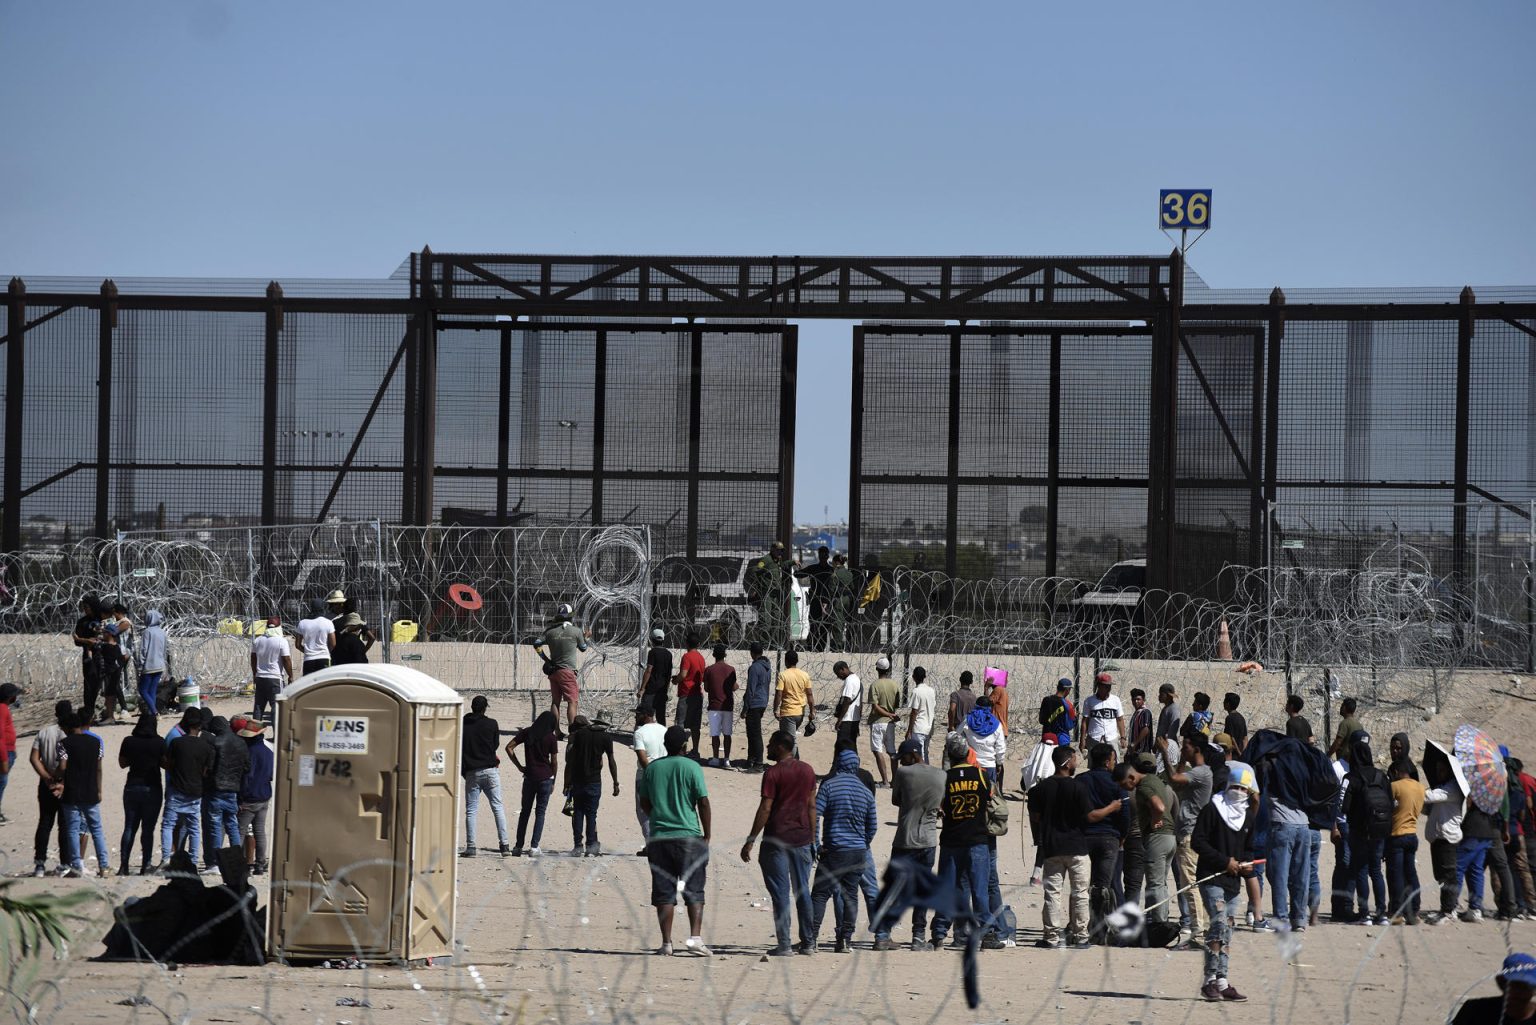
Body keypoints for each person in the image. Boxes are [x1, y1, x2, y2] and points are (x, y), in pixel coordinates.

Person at [1030, 746, 1120, 949]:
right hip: (1077, 847)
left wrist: (1041, 835)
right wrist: (1111, 808)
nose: (1077, 762)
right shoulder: (1078, 788)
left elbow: (1035, 817)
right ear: (1068, 762)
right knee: (1080, 892)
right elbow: (1090, 816)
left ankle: (1051, 937)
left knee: (1052, 893)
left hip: (1053, 847)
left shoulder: (1041, 789)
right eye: (1075, 759)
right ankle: (1081, 936)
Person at [740, 730, 817, 955]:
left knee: (781, 894)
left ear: (781, 746)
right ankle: (809, 942)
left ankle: (784, 944)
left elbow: (766, 808)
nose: (767, 748)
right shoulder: (807, 770)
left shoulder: (773, 773)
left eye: (771, 744)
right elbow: (812, 806)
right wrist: (812, 836)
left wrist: (751, 839)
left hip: (776, 841)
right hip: (802, 839)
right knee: (802, 891)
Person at [639, 725, 712, 956]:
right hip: (689, 835)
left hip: (660, 836)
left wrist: (660, 817)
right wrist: (707, 834)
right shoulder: (692, 767)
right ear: (684, 745)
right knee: (694, 890)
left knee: (664, 892)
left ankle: (667, 943)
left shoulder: (652, 769)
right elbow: (703, 802)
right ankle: (695, 939)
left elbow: (645, 802)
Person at [1191, 760, 1259, 1003]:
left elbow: (1248, 849)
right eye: (1235, 787)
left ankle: (1223, 980)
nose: (1238, 792)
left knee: (1227, 931)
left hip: (1233, 882)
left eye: (1244, 789)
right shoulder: (1213, 809)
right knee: (1218, 924)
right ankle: (1209, 980)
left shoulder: (1248, 817)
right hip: (1212, 877)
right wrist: (1224, 861)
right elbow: (1197, 842)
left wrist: (1246, 864)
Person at [810, 748, 878, 953]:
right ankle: (844, 940)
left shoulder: (829, 786)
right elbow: (873, 825)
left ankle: (811, 938)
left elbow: (816, 814)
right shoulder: (865, 792)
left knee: (820, 895)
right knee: (851, 895)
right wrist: (863, 843)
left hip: (833, 850)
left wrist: (816, 844)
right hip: (857, 852)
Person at [931, 734, 992, 949]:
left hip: (951, 839)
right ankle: (984, 934)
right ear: (968, 752)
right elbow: (990, 800)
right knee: (979, 891)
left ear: (949, 754)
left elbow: (938, 807)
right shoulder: (982, 775)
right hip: (977, 839)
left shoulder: (943, 778)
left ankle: (940, 933)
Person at [889, 736, 945, 949]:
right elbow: (941, 804)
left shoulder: (903, 773)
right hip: (928, 840)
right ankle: (918, 936)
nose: (901, 762)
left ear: (913, 754)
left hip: (905, 839)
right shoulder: (941, 775)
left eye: (903, 757)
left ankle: (883, 933)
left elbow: (896, 800)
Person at [1080, 743, 1129, 939]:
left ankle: (1083, 925)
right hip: (1109, 838)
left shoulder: (1081, 780)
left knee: (1084, 885)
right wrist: (1121, 837)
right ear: (1108, 761)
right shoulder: (1117, 783)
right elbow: (1125, 814)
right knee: (1103, 886)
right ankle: (1100, 930)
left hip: (1085, 837)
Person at [1342, 730, 1391, 925]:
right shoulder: (1381, 776)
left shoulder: (1352, 777)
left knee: (1361, 870)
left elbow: (1344, 807)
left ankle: (1365, 914)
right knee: (1376, 871)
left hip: (1359, 831)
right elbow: (1390, 801)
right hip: (1380, 830)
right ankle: (1382, 914)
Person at [1169, 735, 1214, 946]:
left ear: (1196, 749)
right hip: (1190, 832)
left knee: (1191, 885)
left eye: (1185, 746)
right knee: (1195, 883)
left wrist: (1163, 752)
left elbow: (1174, 779)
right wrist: (1180, 761)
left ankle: (1198, 934)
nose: (1182, 749)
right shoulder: (1195, 772)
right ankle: (1203, 930)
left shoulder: (1201, 772)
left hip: (1190, 834)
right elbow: (1176, 780)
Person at [1126, 752, 1177, 933]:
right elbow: (1174, 809)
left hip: (1154, 837)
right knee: (1161, 882)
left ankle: (1159, 922)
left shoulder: (1142, 787)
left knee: (1153, 883)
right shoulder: (1164, 786)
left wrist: (1154, 820)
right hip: (1170, 836)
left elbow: (1159, 807)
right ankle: (1160, 918)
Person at [58, 709, 109, 877]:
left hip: (72, 792)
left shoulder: (64, 743)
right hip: (91, 791)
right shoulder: (95, 742)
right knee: (97, 830)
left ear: (68, 727)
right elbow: (100, 769)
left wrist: (54, 776)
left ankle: (76, 867)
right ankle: (104, 866)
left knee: (72, 830)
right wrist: (99, 789)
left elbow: (63, 767)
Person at [1422, 740, 1468, 925]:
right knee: (1441, 875)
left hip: (1447, 838)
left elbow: (1431, 796)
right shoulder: (1444, 787)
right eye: (1437, 770)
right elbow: (1430, 806)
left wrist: (1412, 790)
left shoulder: (1454, 788)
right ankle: (1446, 908)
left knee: (1448, 874)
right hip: (1438, 837)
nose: (1439, 773)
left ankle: (1449, 911)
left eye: (1442, 770)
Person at [461, 695, 511, 857]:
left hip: (472, 771)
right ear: (484, 708)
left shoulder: (464, 725)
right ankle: (504, 845)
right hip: (490, 770)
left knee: (471, 810)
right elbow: (495, 744)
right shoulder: (492, 723)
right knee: (497, 807)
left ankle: (471, 847)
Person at [563, 715, 619, 857]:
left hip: (577, 780)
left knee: (578, 813)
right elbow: (611, 761)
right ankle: (591, 847)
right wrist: (615, 782)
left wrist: (567, 782)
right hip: (594, 781)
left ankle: (577, 846)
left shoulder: (579, 735)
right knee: (591, 814)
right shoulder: (606, 738)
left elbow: (570, 761)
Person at [507, 711, 560, 857]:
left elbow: (509, 747)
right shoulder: (551, 737)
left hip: (529, 777)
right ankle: (534, 846)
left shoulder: (527, 733)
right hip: (545, 777)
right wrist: (554, 779)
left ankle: (518, 846)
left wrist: (519, 766)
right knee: (540, 812)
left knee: (525, 812)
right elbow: (554, 761)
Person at [30, 700, 73, 877]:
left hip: (46, 783)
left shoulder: (44, 732)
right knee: (64, 825)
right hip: (64, 782)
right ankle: (64, 863)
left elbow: (34, 758)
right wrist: (59, 781)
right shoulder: (69, 734)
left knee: (45, 823)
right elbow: (66, 763)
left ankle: (39, 864)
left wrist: (47, 778)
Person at [117, 711, 163, 876]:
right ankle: (146, 865)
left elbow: (122, 763)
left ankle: (124, 866)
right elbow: (165, 763)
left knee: (129, 827)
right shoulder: (159, 742)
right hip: (152, 788)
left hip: (132, 786)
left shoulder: (129, 741)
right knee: (148, 829)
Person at [203, 716, 248, 871]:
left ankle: (215, 862)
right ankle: (237, 859)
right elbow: (247, 767)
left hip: (216, 791)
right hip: (233, 791)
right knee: (232, 826)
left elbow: (208, 767)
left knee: (215, 826)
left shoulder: (215, 743)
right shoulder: (241, 742)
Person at [536, 602, 589, 729]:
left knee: (555, 702)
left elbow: (536, 643)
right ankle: (573, 731)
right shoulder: (576, 631)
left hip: (553, 671)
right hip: (567, 672)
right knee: (572, 701)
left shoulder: (550, 631)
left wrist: (546, 660)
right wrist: (586, 637)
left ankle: (557, 731)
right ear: (571, 617)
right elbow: (583, 648)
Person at [1387, 757, 1426, 923]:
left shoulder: (1394, 786)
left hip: (1396, 835)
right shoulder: (1420, 787)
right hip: (1412, 834)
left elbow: (1388, 807)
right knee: (1411, 874)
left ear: (1396, 772)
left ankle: (1397, 912)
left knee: (1396, 875)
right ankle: (1414, 911)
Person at [234, 716, 273, 874]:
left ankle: (238, 864)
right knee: (260, 831)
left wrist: (240, 798)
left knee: (240, 831)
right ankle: (260, 863)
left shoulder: (250, 752)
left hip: (250, 798)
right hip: (264, 796)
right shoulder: (268, 751)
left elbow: (246, 778)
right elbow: (270, 775)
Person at [1450, 952, 1536, 1025]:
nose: (1519, 994)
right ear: (1501, 983)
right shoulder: (1475, 1010)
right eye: (1515, 986)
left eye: (1526, 987)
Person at [631, 705, 667, 855]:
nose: (635, 717)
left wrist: (651, 775)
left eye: (638, 714)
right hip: (665, 773)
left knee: (643, 810)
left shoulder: (639, 733)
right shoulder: (664, 730)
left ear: (646, 715)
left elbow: (642, 757)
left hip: (646, 775)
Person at [249, 616, 292, 722]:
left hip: (260, 677)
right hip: (275, 678)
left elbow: (253, 658)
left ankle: (255, 735)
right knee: (276, 706)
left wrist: (255, 673)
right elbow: (286, 659)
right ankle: (276, 734)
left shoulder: (258, 640)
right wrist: (290, 675)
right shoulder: (282, 641)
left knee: (259, 706)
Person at [867, 656, 901, 787]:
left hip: (877, 721)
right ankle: (895, 781)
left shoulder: (875, 685)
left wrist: (887, 714)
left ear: (877, 669)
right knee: (892, 751)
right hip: (890, 723)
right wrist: (891, 714)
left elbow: (875, 706)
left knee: (877, 750)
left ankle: (885, 781)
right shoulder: (894, 684)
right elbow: (896, 704)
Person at [72, 596, 107, 724]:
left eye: (87, 607)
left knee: (101, 684)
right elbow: (76, 640)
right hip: (89, 657)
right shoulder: (82, 622)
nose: (85, 610)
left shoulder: (103, 619)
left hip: (103, 655)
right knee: (89, 686)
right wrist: (86, 641)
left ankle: (106, 711)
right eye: (84, 607)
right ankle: (89, 712)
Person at [702, 645, 737, 768]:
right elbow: (733, 686)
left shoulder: (709, 670)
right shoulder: (731, 669)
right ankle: (727, 759)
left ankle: (716, 758)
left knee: (715, 734)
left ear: (714, 655)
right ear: (725, 655)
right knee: (727, 734)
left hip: (714, 705)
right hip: (727, 705)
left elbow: (706, 688)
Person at [98, 603, 132, 725]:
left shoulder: (125, 622)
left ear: (117, 612)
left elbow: (114, 632)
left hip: (119, 656)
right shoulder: (116, 623)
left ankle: (122, 709)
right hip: (118, 654)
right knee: (113, 685)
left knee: (113, 684)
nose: (112, 615)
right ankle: (115, 711)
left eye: (113, 612)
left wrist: (103, 630)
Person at [797, 545, 836, 651]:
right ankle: (811, 648)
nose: (823, 557)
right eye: (821, 554)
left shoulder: (830, 570)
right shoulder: (816, 569)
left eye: (824, 554)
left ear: (827, 556)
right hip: (816, 601)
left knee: (824, 628)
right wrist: (798, 567)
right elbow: (798, 574)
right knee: (814, 626)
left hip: (826, 602)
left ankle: (819, 649)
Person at [962, 697, 1006, 788]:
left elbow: (958, 738)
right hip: (989, 765)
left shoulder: (967, 720)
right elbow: (1000, 748)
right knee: (988, 795)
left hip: (971, 763)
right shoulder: (996, 724)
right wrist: (999, 763)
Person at [742, 642, 772, 771]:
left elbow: (750, 689)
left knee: (754, 734)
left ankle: (758, 763)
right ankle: (751, 759)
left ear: (752, 653)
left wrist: (745, 708)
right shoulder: (767, 667)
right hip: (763, 701)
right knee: (753, 732)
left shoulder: (754, 668)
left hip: (754, 703)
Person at [674, 636, 706, 756]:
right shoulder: (701, 658)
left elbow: (683, 674)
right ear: (698, 644)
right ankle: (695, 750)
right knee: (695, 724)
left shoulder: (687, 657)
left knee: (681, 723)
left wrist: (676, 680)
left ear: (687, 644)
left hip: (686, 693)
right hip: (697, 693)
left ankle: (681, 749)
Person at [774, 648, 814, 743]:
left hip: (788, 712)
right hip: (800, 712)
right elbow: (809, 694)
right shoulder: (804, 675)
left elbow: (779, 694)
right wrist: (812, 710)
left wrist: (775, 709)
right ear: (797, 661)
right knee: (788, 739)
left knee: (790, 741)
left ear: (786, 661)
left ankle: (793, 758)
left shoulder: (783, 675)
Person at [136, 610, 171, 715]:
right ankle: (152, 715)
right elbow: (165, 650)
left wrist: (140, 665)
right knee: (152, 691)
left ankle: (154, 712)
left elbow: (143, 650)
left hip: (148, 666)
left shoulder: (147, 632)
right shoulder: (162, 632)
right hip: (159, 666)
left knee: (143, 690)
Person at [1081, 673, 1125, 754]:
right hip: (1094, 737)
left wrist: (1123, 737)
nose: (1109, 688)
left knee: (1114, 762)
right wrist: (1082, 739)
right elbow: (1085, 721)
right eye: (1106, 686)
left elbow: (1120, 719)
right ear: (1099, 686)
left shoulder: (1115, 700)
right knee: (1094, 763)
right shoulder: (1089, 701)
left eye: (1109, 686)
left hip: (1111, 737)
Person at [638, 629, 673, 723]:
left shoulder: (653, 652)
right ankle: (662, 736)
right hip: (662, 689)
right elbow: (668, 674)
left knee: (647, 715)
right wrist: (667, 689)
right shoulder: (668, 654)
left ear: (652, 640)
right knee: (661, 716)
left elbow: (649, 670)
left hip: (651, 688)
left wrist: (642, 688)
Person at [296, 599, 336, 676]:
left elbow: (297, 645)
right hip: (324, 658)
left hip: (308, 660)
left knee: (309, 685)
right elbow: (333, 643)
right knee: (324, 684)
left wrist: (308, 652)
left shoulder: (302, 623)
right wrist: (326, 651)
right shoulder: (328, 622)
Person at [907, 666, 937, 764]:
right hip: (928, 728)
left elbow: (914, 712)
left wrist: (909, 730)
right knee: (925, 753)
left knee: (919, 755)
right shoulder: (931, 690)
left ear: (913, 677)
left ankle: (922, 776)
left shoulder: (916, 691)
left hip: (919, 727)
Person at [831, 661, 862, 748]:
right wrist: (858, 720)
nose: (838, 676)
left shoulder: (849, 680)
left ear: (843, 669)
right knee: (852, 746)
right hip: (855, 719)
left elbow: (846, 700)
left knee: (841, 746)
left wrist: (840, 720)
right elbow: (860, 702)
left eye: (838, 673)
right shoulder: (857, 679)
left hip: (847, 719)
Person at [1040, 678, 1076, 748]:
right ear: (1067, 690)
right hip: (1062, 740)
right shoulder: (1068, 705)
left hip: (1047, 738)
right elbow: (1069, 726)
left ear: (1058, 687)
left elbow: (1041, 720)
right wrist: (1075, 717)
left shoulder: (1046, 700)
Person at [0, 684, 17, 822]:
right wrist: (4, 758)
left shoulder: (4, 708)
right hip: (4, 752)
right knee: (1, 782)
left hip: (8, 750)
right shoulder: (2, 709)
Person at [1154, 683, 1181, 754]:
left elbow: (1173, 730)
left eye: (1161, 694)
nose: (1159, 696)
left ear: (1168, 696)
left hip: (1168, 747)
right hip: (1162, 745)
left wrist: (1166, 745)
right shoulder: (1166, 708)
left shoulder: (1174, 709)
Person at [984, 670, 1010, 736]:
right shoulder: (1002, 690)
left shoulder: (998, 689)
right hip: (1001, 729)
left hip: (997, 730)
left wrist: (986, 688)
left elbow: (987, 703)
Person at [1128, 688, 1153, 755]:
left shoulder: (1145, 712)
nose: (1136, 701)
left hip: (1142, 751)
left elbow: (1145, 729)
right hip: (1134, 751)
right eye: (1134, 700)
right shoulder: (1136, 713)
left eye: (1138, 699)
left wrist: (1134, 743)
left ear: (1143, 700)